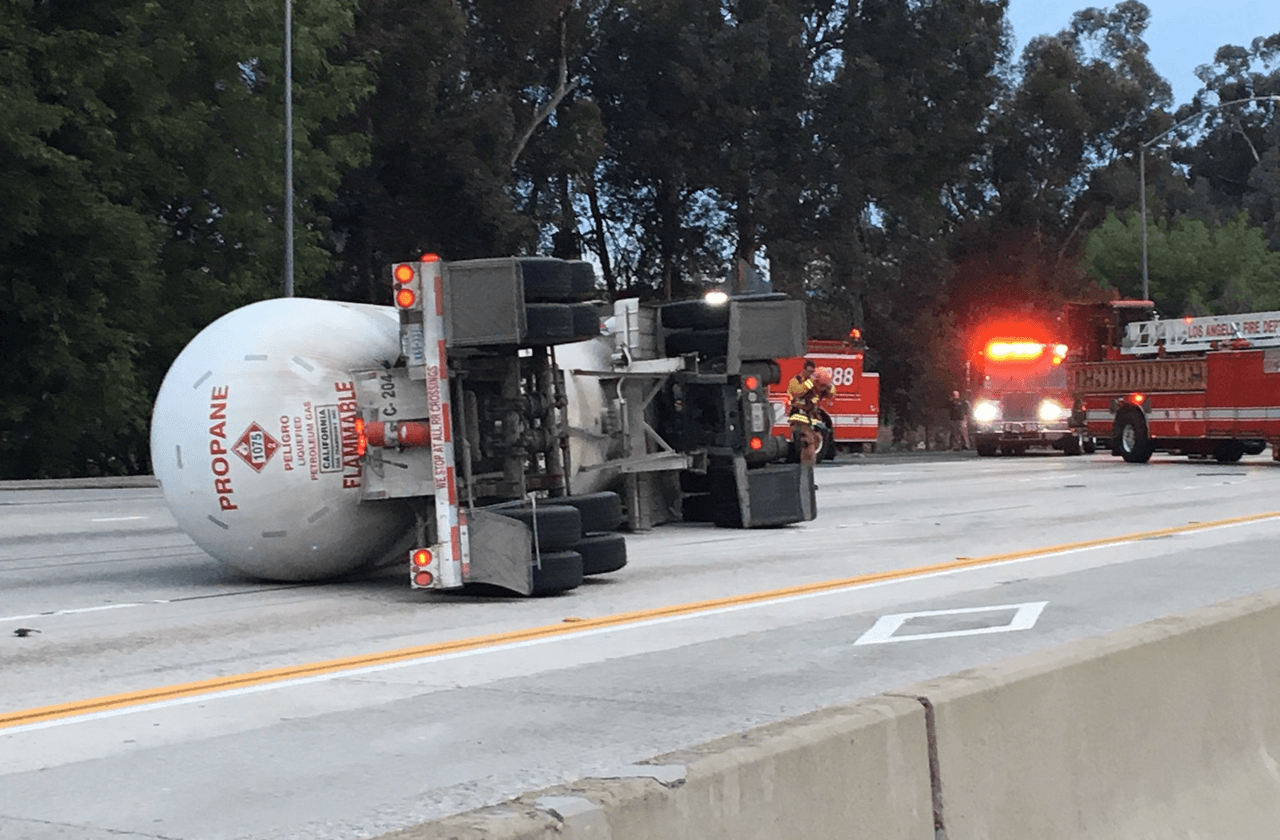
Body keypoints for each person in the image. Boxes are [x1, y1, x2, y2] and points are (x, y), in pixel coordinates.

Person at [787, 361, 834, 465]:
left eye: (813, 372)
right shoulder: (796, 381)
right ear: (804, 371)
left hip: (811, 415)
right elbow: (798, 392)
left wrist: (827, 384)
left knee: (816, 436)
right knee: (803, 439)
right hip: (798, 415)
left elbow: (830, 394)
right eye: (809, 371)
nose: (811, 374)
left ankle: (810, 460)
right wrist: (810, 382)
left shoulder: (815, 384)